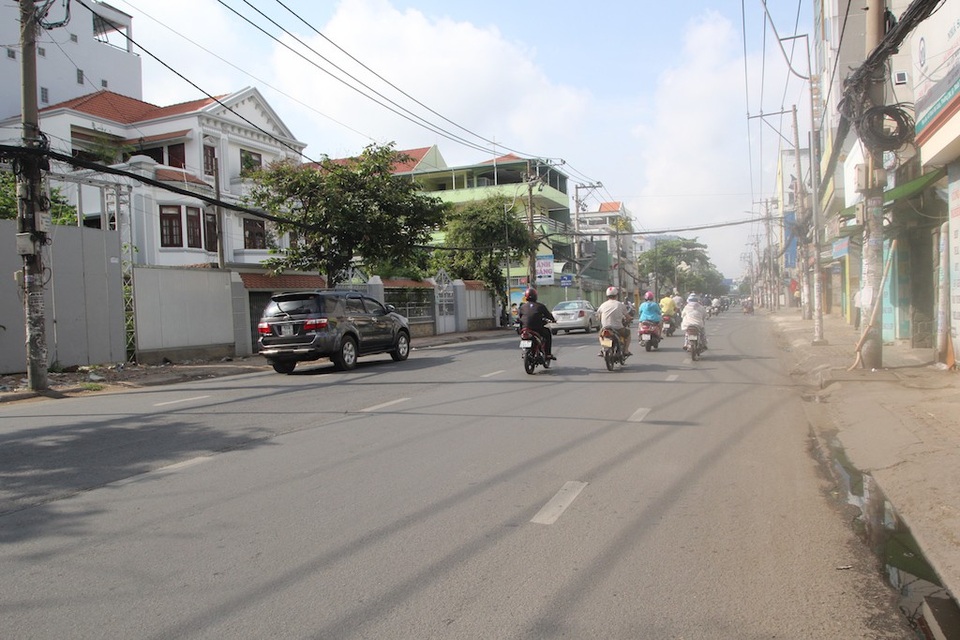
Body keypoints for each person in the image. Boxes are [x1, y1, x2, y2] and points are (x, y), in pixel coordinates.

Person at [517, 287, 556, 360]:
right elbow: (548, 315)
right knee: (547, 333)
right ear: (535, 296)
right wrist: (553, 320)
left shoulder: (522, 307)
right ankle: (548, 354)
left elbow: (519, 317)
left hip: (525, 329)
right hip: (537, 329)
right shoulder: (540, 306)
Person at [597, 286, 633, 356]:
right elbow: (627, 317)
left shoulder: (603, 305)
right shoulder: (620, 305)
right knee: (628, 334)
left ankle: (603, 348)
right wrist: (630, 319)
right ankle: (626, 350)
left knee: (601, 336)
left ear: (607, 296)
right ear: (616, 295)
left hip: (605, 328)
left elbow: (599, 317)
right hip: (618, 328)